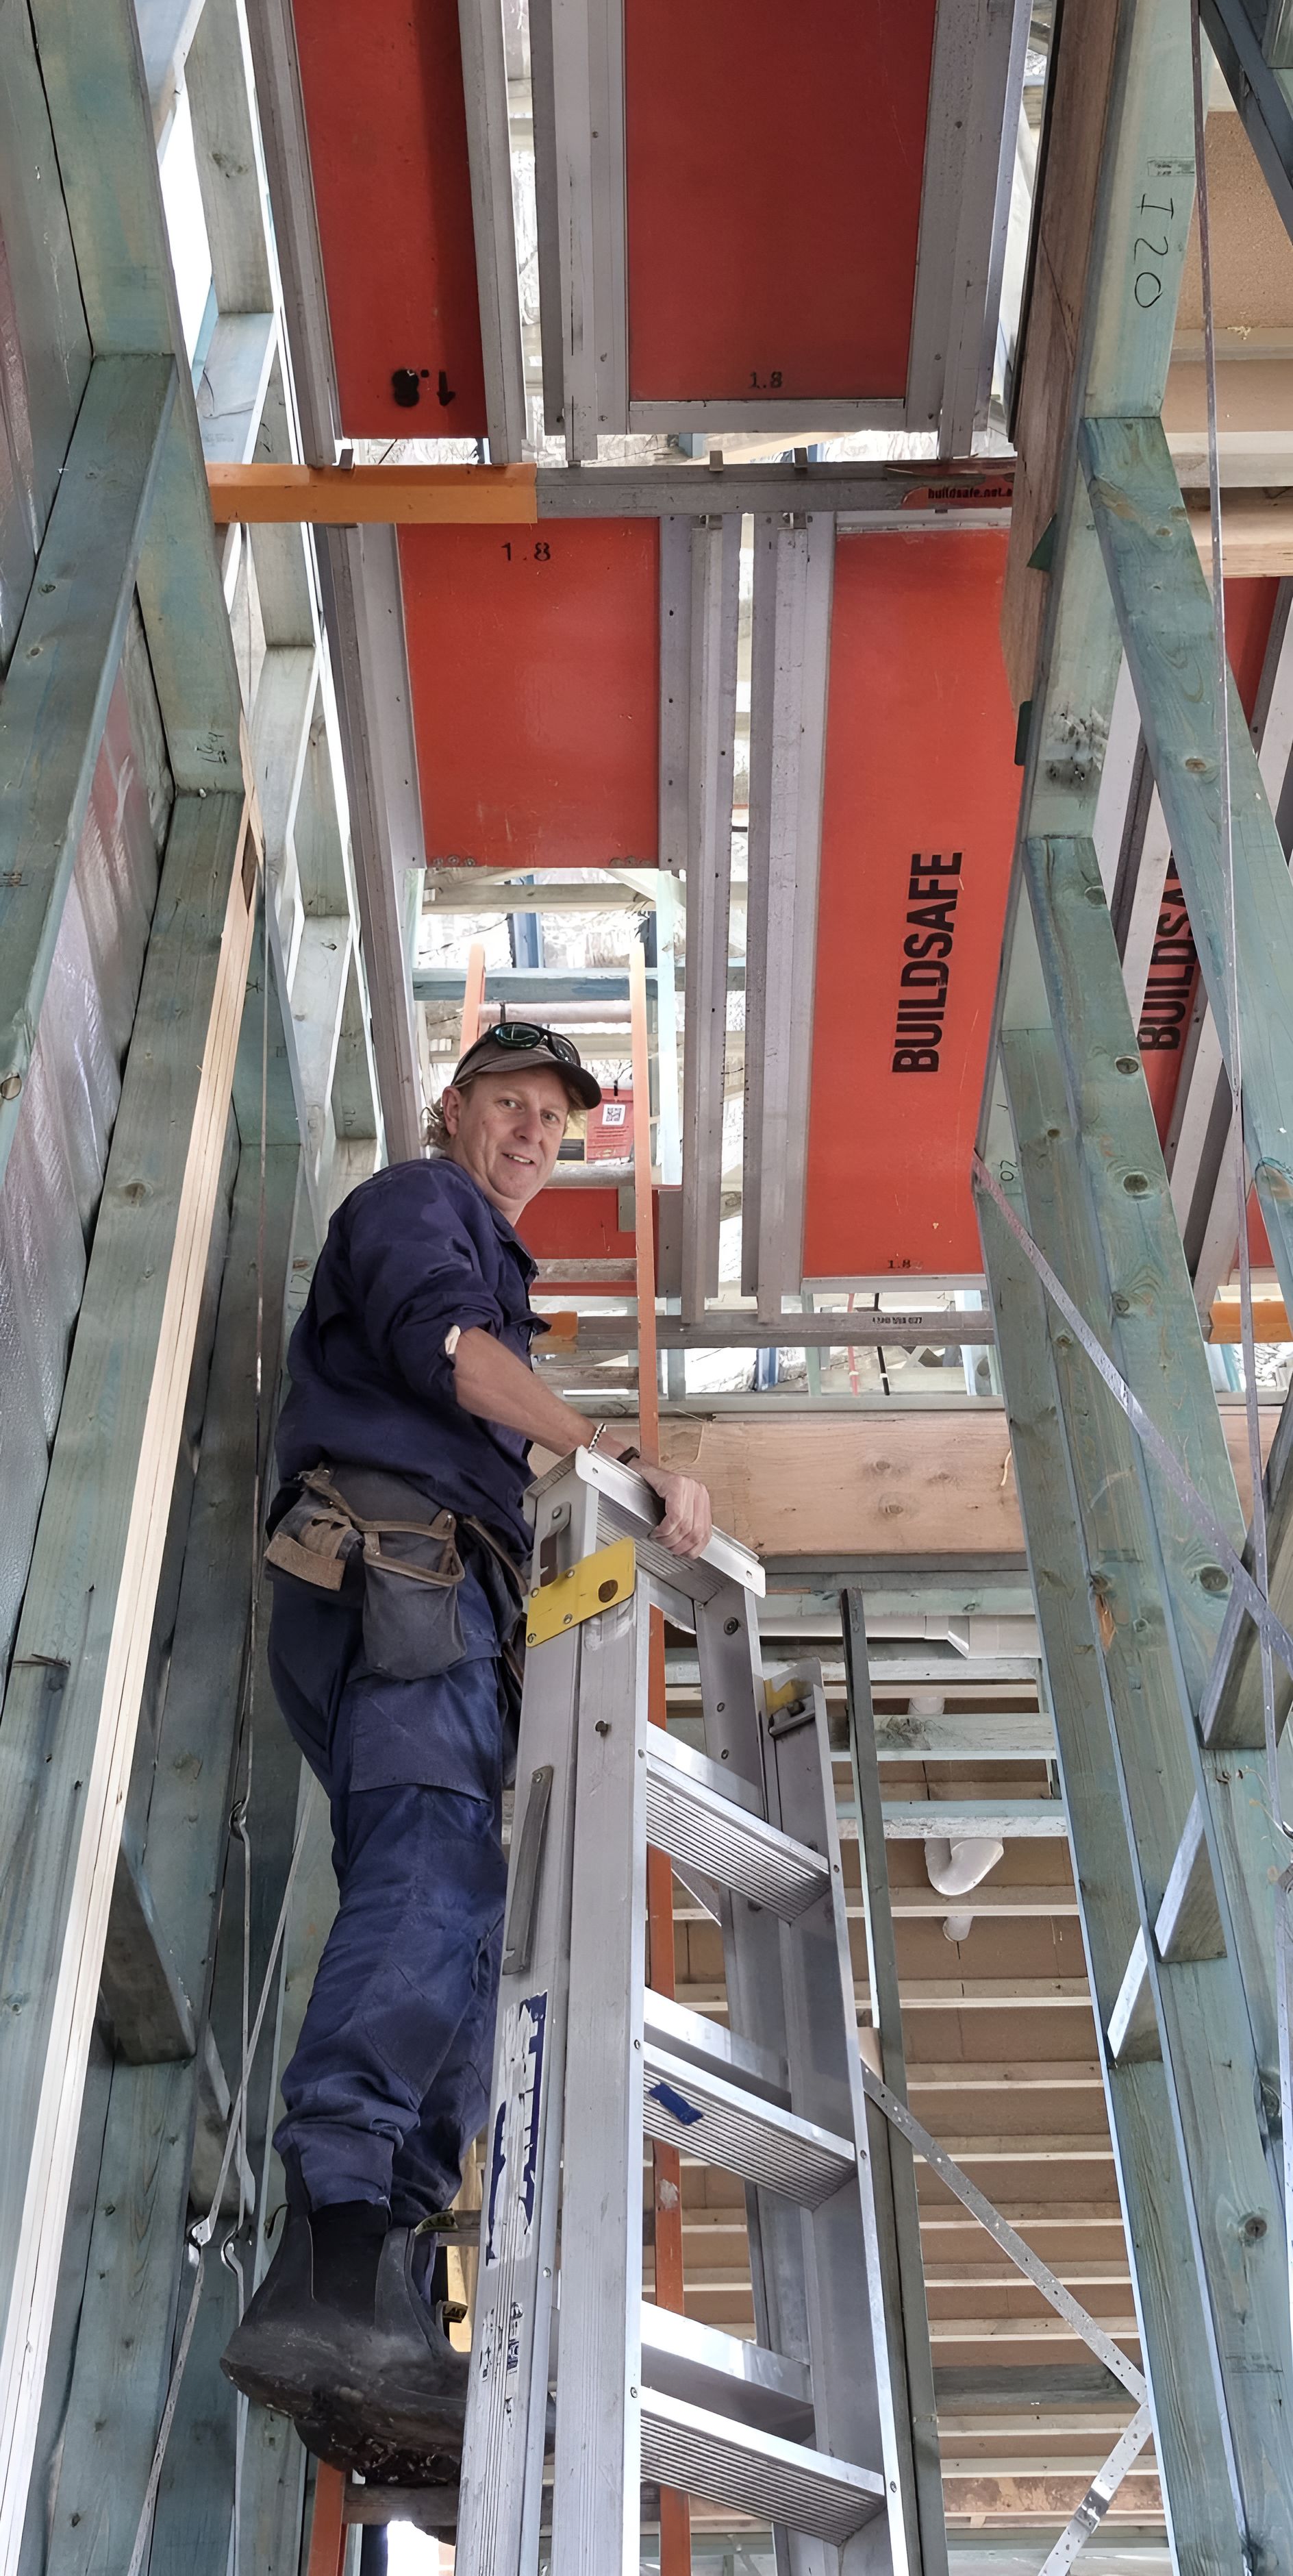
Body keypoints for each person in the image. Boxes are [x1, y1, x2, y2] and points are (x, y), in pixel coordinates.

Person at [222, 1022, 711, 2484]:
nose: (529, 1134)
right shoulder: (416, 1209)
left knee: (468, 1921)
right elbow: (445, 1351)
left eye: (552, 1121)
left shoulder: (496, 1263)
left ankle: (373, 2304)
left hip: (444, 1602)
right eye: (509, 1104)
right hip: (400, 1574)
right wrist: (597, 1447)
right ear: (453, 1107)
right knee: (435, 1875)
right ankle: (337, 2244)